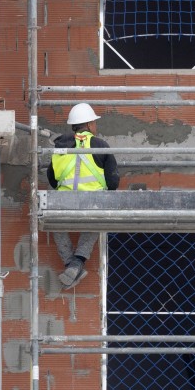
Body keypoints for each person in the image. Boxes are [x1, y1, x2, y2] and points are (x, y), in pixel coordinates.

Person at [47, 102, 119, 288]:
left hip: (63, 203)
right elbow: (113, 182)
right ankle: (78, 261)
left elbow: (52, 180)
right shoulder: (100, 145)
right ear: (88, 125)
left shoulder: (60, 147)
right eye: (94, 122)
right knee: (96, 219)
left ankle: (70, 264)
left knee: (55, 223)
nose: (95, 126)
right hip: (91, 202)